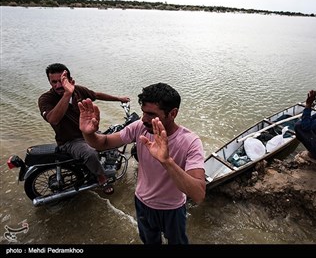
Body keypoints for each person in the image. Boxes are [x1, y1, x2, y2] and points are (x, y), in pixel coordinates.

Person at [78, 82, 206, 244]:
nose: (144, 119)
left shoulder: (190, 141)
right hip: (143, 203)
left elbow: (198, 194)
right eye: (143, 112)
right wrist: (88, 134)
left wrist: (167, 161)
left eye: (151, 114)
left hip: (172, 209)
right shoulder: (140, 127)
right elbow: (103, 143)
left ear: (172, 113)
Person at [38, 63, 130, 194]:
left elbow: (96, 95)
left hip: (89, 134)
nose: (57, 85)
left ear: (70, 80)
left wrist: (119, 99)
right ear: (49, 82)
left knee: (113, 138)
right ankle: (101, 178)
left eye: (61, 81)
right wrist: (66, 94)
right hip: (70, 141)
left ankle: (105, 164)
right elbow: (53, 119)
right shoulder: (46, 99)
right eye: (54, 82)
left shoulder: (78, 91)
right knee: (90, 153)